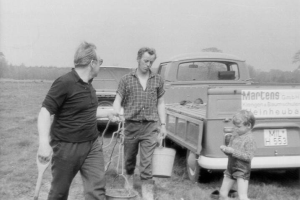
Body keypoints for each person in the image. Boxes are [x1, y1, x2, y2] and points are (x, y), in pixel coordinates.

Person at [37, 41, 118, 200]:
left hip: (92, 145)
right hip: (67, 147)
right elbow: (45, 112)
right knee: (59, 193)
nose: (100, 66)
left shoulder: (89, 85)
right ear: (92, 63)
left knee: (97, 192)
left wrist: (108, 113)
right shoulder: (65, 82)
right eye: (100, 62)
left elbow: (85, 111)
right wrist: (43, 143)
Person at [113, 47, 166, 200]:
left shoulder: (157, 80)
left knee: (146, 162)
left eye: (151, 62)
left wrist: (163, 125)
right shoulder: (126, 79)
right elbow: (117, 99)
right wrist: (116, 112)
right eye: (145, 61)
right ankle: (128, 184)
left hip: (150, 126)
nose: (148, 64)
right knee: (129, 159)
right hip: (131, 126)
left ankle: (147, 194)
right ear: (138, 59)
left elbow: (161, 103)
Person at [219, 110, 257, 200]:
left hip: (242, 170)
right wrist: (225, 149)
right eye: (235, 126)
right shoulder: (235, 136)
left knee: (242, 197)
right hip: (230, 168)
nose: (236, 128)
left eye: (239, 127)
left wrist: (232, 151)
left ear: (248, 126)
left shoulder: (250, 139)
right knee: (223, 194)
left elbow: (248, 157)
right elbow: (230, 152)